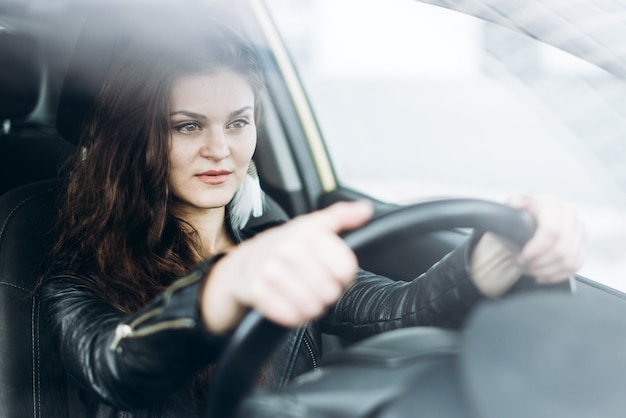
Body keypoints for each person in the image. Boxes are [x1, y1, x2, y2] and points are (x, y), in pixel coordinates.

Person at [41, 13, 586, 418]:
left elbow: (399, 309)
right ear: (138, 140)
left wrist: (493, 257)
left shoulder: (275, 240)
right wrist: (220, 289)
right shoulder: (74, 277)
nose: (221, 150)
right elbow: (116, 366)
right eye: (187, 126)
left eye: (238, 122)